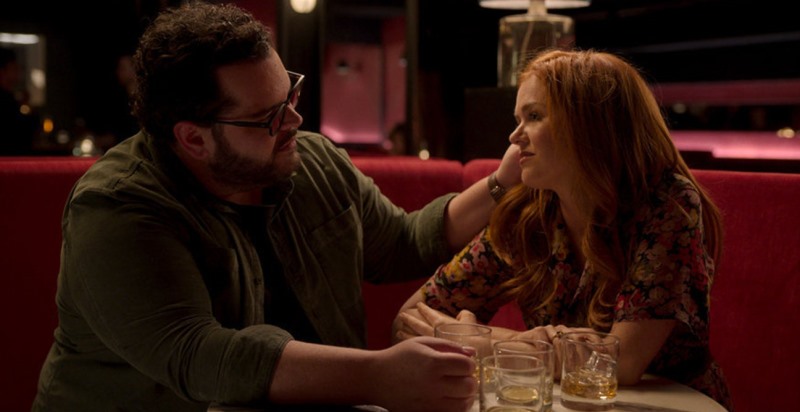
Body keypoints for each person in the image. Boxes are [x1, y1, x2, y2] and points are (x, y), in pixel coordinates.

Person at [32, 2, 521, 411]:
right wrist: (379, 377)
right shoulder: (117, 207)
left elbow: (401, 243)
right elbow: (201, 355)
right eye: (268, 116)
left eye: (291, 95)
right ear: (194, 138)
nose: (294, 120)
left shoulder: (311, 161)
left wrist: (504, 181)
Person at [392, 49, 733, 411]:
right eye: (518, 119)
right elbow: (408, 319)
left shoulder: (667, 203)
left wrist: (486, 344)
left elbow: (624, 362)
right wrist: (520, 344)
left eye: (534, 116)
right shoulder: (528, 213)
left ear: (588, 124)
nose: (514, 136)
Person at [0, 46, 37, 155]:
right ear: (2, 71)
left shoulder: (11, 98)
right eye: (14, 68)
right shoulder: (6, 100)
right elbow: (22, 132)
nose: (18, 72)